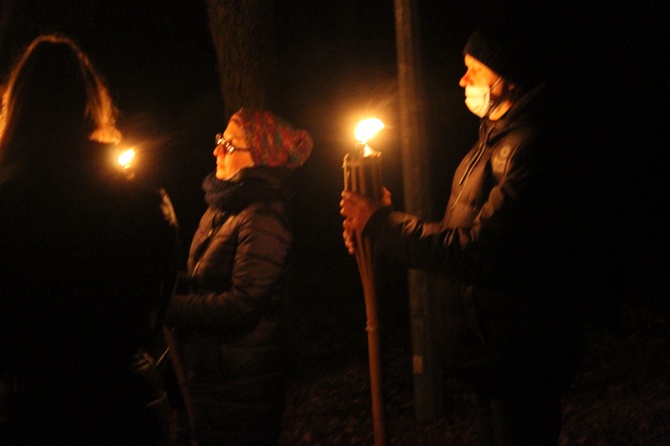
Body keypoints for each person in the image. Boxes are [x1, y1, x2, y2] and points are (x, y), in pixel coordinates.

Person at [340, 21, 584, 446]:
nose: (462, 80)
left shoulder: (533, 149)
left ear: (505, 78)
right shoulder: (490, 141)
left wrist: (383, 224)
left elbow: (482, 249)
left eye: (473, 69)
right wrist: (377, 226)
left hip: (522, 355)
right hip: (491, 353)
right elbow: (459, 228)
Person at [0, 34, 179, 445]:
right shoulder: (141, 199)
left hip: (33, 411)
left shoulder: (9, 203)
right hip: (123, 406)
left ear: (17, 106)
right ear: (91, 104)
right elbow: (155, 303)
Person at [164, 107, 313, 446]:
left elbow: (244, 303)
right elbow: (207, 279)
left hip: (241, 383)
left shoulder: (263, 216)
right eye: (220, 140)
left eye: (230, 146)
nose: (217, 150)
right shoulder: (223, 206)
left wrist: (171, 308)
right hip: (212, 375)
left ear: (260, 158)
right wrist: (172, 285)